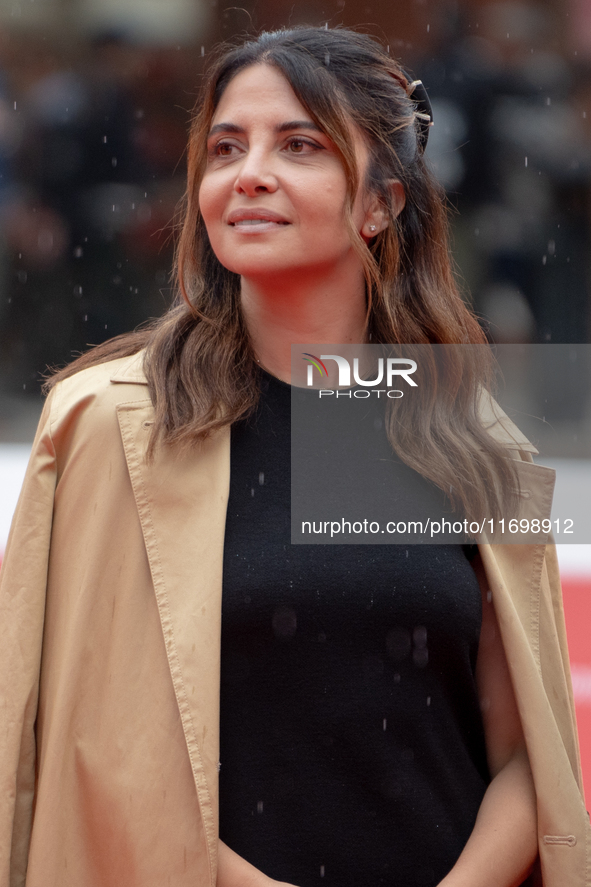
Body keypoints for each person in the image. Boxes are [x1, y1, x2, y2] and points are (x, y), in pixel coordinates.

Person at [0, 26, 588, 887]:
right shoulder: (109, 426)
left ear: (380, 201)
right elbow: (74, 737)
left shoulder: (461, 436)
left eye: (300, 144)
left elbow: (524, 747)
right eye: (226, 147)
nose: (250, 174)